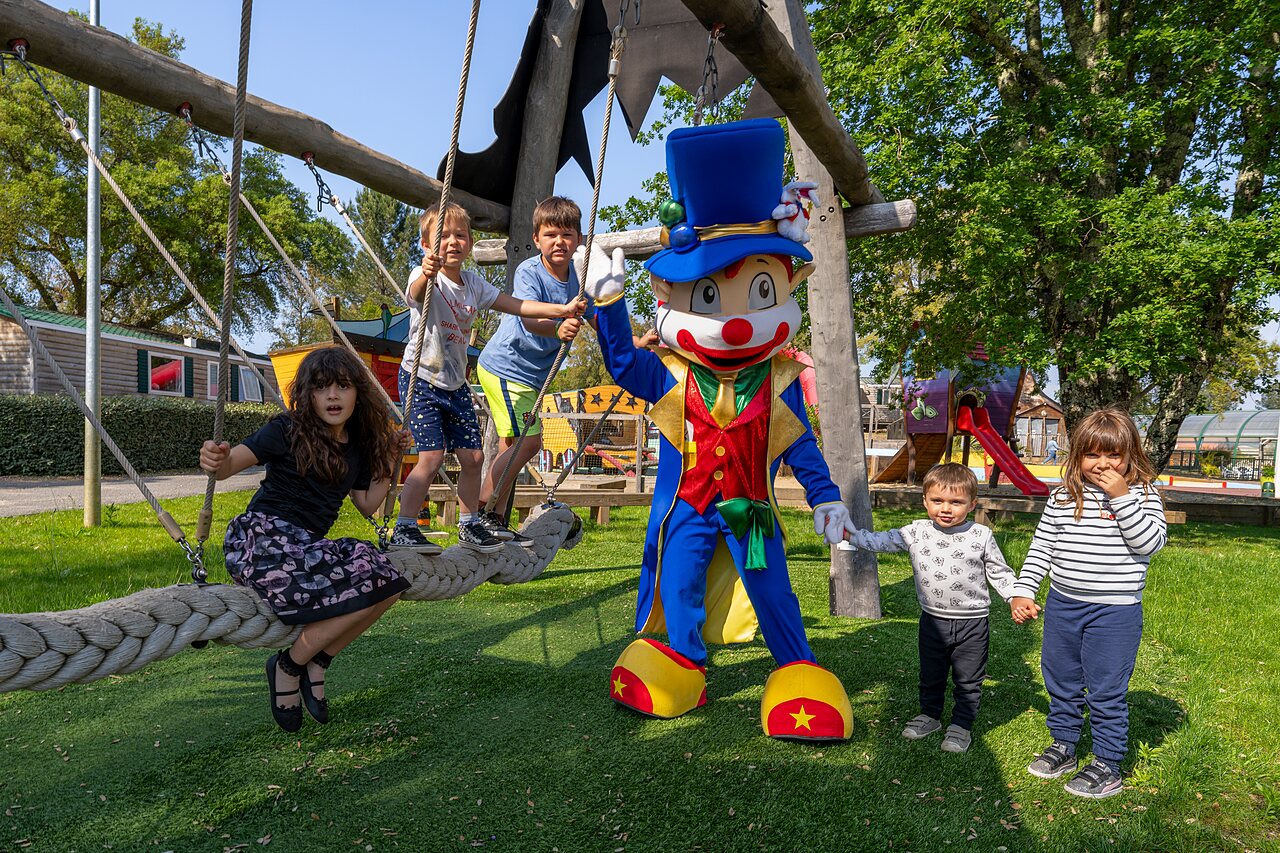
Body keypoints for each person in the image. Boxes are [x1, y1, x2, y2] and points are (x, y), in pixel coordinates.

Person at [199, 346, 412, 732]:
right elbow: (230, 465)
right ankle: (288, 665)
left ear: (357, 394)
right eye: (321, 387)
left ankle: (314, 659)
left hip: (309, 547)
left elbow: (368, 504)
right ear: (308, 394)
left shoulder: (360, 447)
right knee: (373, 581)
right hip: (264, 539)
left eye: (343, 386)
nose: (332, 395)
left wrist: (388, 460)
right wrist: (216, 459)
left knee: (391, 585)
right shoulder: (286, 429)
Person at [389, 202, 585, 554]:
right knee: (431, 457)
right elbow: (415, 294)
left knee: (475, 459)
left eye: (460, 235)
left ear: (470, 242)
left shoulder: (474, 285)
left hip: (454, 384)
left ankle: (469, 524)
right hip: (421, 378)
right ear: (426, 246)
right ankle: (404, 526)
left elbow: (519, 306)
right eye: (443, 236)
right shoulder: (428, 280)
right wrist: (425, 273)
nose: (452, 242)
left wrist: (563, 310)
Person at [475, 196, 657, 545]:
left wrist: (633, 340)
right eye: (551, 234)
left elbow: (595, 320)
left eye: (567, 234)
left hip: (530, 375)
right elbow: (528, 318)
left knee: (511, 445)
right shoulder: (530, 271)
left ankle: (494, 518)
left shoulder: (579, 275)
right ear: (537, 238)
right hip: (506, 368)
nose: (559, 241)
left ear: (578, 240)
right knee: (529, 443)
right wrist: (556, 327)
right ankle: (480, 510)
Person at [1010, 407, 1167, 799]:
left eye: (1113, 455)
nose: (1103, 464)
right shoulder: (1064, 495)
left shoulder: (1143, 494)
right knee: (1060, 679)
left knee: (1105, 689)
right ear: (1077, 455)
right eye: (1092, 454)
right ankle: (1064, 743)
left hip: (1115, 611)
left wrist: (1120, 498)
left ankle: (1108, 762)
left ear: (1130, 454)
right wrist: (1024, 589)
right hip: (1064, 605)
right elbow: (1042, 546)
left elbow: (1150, 543)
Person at [843, 462, 1017, 753]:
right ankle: (930, 716)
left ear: (972, 504)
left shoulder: (981, 535)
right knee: (931, 674)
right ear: (925, 501)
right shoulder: (916, 532)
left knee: (968, 680)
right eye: (937, 501)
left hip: (972, 624)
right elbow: (880, 541)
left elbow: (1000, 572)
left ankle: (961, 726)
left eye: (956, 502)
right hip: (933, 621)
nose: (946, 508)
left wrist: (1015, 596)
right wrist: (851, 536)